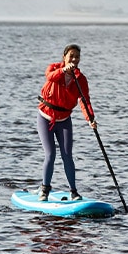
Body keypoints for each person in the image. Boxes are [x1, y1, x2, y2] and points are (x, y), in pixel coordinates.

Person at [36, 43, 97, 201]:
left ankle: (74, 192)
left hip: (64, 120)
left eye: (77, 57)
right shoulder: (54, 68)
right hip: (45, 117)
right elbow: (50, 76)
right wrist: (63, 70)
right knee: (50, 154)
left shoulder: (80, 79)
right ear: (64, 57)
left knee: (67, 155)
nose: (74, 59)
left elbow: (84, 101)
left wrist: (90, 119)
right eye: (71, 56)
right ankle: (45, 190)